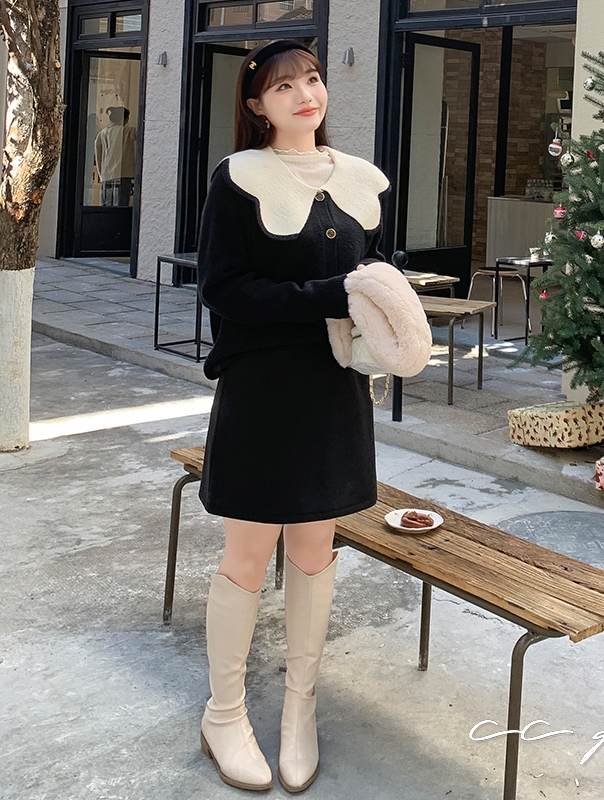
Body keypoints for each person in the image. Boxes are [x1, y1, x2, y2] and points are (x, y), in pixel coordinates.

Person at [195, 40, 390, 793]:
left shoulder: (362, 180)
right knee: (246, 556)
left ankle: (299, 709)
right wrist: (331, 297)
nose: (306, 93)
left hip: (334, 392)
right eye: (284, 86)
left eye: (311, 78)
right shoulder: (238, 178)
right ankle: (224, 713)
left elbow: (376, 278)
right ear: (257, 105)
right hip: (261, 391)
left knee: (314, 551)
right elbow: (224, 290)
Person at [94, 106, 137, 206]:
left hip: (106, 176)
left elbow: (98, 156)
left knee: (106, 207)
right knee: (121, 207)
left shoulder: (102, 134)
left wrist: (102, 174)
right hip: (124, 175)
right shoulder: (129, 131)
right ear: (125, 120)